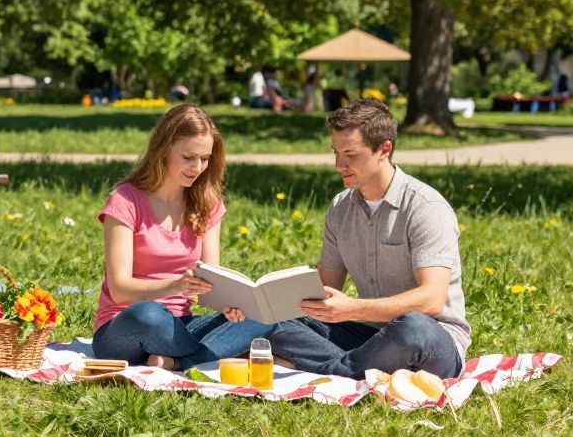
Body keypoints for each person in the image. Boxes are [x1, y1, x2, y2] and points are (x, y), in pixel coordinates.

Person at [266, 100, 470, 379]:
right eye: (336, 153)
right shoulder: (340, 208)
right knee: (277, 322)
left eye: (350, 154)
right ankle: (361, 369)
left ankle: (329, 370)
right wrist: (272, 300)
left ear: (384, 149)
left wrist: (352, 308)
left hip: (433, 340)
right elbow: (325, 289)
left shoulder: (426, 207)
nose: (339, 165)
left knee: (412, 327)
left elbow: (432, 300)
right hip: (366, 335)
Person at [91, 104, 273, 369]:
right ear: (163, 149)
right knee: (149, 314)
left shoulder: (206, 202)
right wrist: (175, 286)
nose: (198, 167)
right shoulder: (126, 200)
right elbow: (120, 290)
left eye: (205, 158)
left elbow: (213, 280)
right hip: (124, 327)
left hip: (180, 326)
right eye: (188, 157)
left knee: (265, 316)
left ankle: (174, 362)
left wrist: (231, 304)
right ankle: (208, 355)